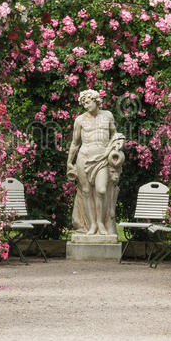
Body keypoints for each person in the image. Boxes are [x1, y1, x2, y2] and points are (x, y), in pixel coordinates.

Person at [67, 89, 125, 235]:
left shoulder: (107, 116)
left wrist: (115, 145)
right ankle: (92, 225)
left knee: (101, 190)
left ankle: (101, 222)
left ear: (95, 100)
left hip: (102, 159)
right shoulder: (80, 120)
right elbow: (75, 143)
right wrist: (69, 162)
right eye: (83, 104)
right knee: (86, 192)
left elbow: (114, 135)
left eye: (87, 102)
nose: (85, 106)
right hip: (84, 158)